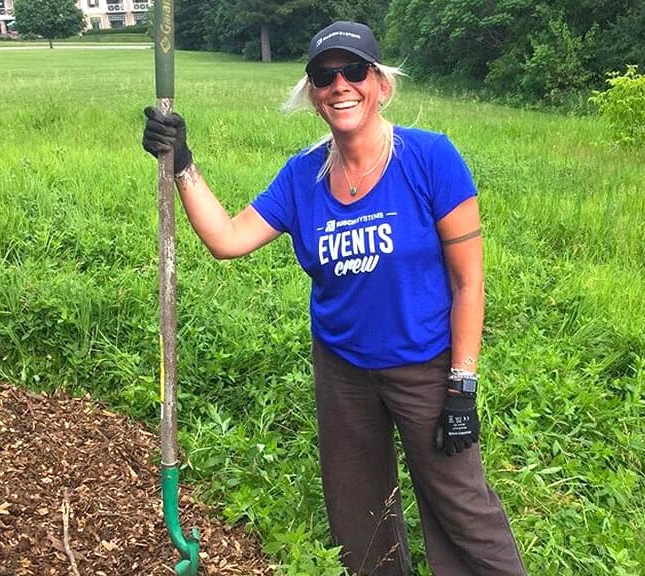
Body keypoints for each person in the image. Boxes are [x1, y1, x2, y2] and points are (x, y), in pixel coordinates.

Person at [142, 20, 527, 576]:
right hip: (343, 370)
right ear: (313, 95)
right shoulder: (303, 177)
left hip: (424, 365)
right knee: (360, 513)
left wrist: (462, 385)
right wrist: (182, 164)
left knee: (461, 507)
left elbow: (469, 281)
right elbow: (227, 240)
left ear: (380, 84)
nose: (340, 85)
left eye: (354, 71)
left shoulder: (430, 158)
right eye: (325, 76)